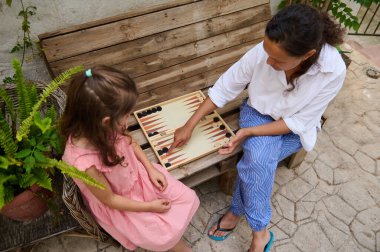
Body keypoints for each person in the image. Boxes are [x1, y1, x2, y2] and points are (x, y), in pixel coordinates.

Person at [169, 4, 346, 252]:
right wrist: (189, 124)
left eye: (278, 60)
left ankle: (238, 213)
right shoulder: (263, 52)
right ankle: (259, 233)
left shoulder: (333, 69)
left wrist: (248, 133)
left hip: (294, 128)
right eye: (267, 52)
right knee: (259, 160)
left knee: (257, 158)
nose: (268, 61)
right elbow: (225, 86)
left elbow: (300, 122)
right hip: (257, 113)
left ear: (307, 55)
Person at [60, 66, 199, 252]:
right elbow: (110, 199)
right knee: (162, 234)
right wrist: (149, 206)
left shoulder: (103, 126)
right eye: (126, 115)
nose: (129, 118)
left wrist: (150, 168)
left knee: (186, 197)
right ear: (106, 122)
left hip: (138, 177)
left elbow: (130, 142)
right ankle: (178, 246)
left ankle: (174, 240)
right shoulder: (83, 163)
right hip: (122, 200)